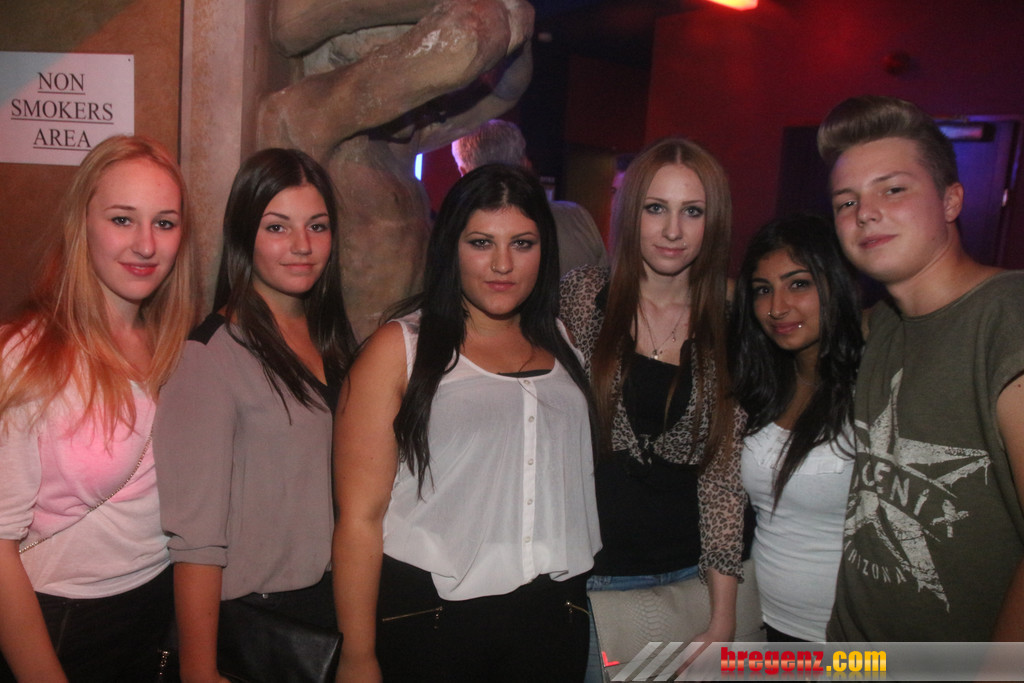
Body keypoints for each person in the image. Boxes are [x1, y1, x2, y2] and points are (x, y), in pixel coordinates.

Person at [332, 164, 600, 682]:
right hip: (433, 619)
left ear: (544, 250)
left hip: (554, 617)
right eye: (481, 242)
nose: (503, 264)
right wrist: (357, 655)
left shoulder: (562, 340)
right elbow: (360, 519)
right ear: (451, 247)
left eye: (522, 243)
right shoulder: (399, 350)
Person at [818, 95, 1024, 641]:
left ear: (951, 200)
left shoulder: (1008, 316)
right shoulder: (884, 324)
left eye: (892, 189)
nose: (864, 212)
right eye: (845, 201)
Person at [0, 135, 198, 681]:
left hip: (160, 606)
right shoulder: (24, 356)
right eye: (122, 219)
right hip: (63, 623)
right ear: (82, 224)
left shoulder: (178, 348)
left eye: (164, 223)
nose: (145, 244)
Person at [155, 148, 355, 681]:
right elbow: (195, 542)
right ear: (245, 234)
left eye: (317, 226)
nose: (302, 245)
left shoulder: (334, 341)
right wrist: (200, 672)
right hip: (260, 620)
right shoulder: (209, 357)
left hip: (335, 604)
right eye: (277, 227)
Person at [560, 137, 745, 679]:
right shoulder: (582, 296)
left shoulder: (732, 320)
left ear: (714, 221)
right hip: (588, 580)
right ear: (629, 211)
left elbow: (724, 479)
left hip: (687, 580)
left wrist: (723, 618)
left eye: (693, 212)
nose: (673, 230)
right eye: (656, 208)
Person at [730, 214, 862, 642]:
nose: (777, 307)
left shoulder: (871, 389)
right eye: (762, 290)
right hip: (759, 623)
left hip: (841, 638)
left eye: (798, 284)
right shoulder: (759, 387)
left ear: (835, 283)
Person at [451, 119, 608, 276]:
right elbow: (605, 283)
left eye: (522, 243)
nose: (504, 266)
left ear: (464, 173)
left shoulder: (453, 230)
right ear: (526, 164)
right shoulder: (578, 218)